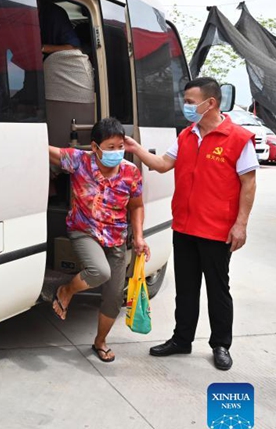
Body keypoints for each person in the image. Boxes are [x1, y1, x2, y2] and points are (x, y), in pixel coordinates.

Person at [124, 77, 257, 371]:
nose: (185, 106)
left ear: (210, 103)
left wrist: (241, 224)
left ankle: (220, 344)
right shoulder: (186, 135)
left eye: (189, 101)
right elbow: (161, 165)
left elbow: (248, 184)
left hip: (217, 230)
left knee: (218, 290)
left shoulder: (237, 138)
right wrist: (136, 148)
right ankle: (181, 339)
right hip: (184, 227)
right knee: (185, 288)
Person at [48, 117, 150, 363]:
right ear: (95, 147)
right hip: (84, 231)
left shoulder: (130, 172)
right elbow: (47, 151)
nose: (116, 152)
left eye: (120, 147)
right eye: (110, 147)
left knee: (114, 298)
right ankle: (66, 290)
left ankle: (100, 342)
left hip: (116, 238)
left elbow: (136, 207)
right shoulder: (80, 161)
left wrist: (138, 236)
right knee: (99, 271)